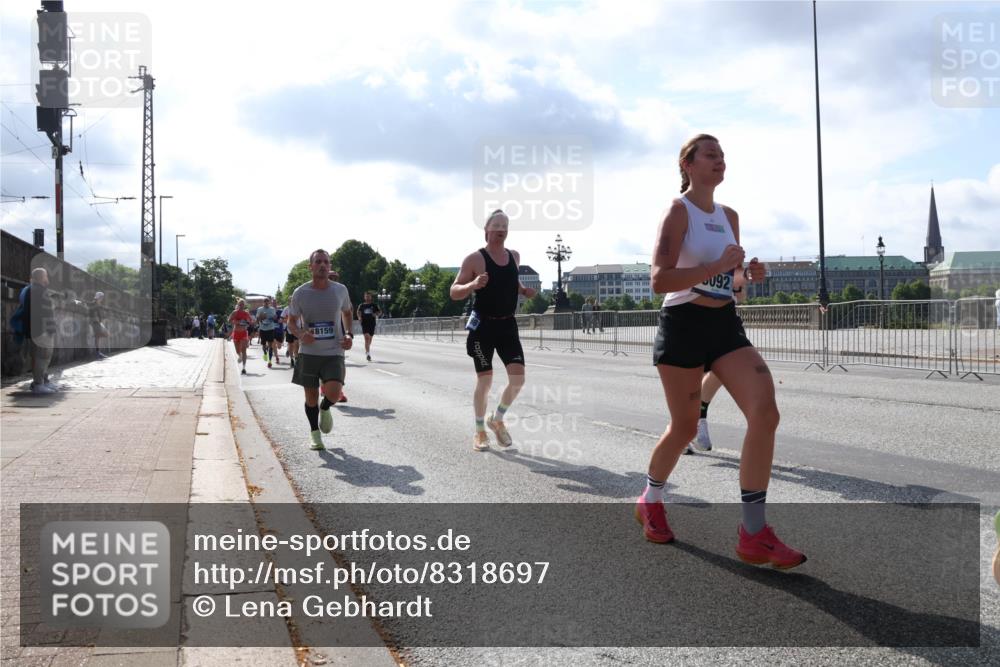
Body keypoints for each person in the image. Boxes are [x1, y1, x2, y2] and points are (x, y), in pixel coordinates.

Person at [637, 133, 805, 569]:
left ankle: (754, 532)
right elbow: (659, 279)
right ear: (687, 165)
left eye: (723, 155)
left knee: (765, 413)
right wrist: (715, 266)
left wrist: (748, 274)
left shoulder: (730, 216)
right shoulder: (678, 212)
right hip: (683, 326)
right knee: (685, 427)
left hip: (724, 324)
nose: (720, 161)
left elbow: (735, 285)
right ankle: (650, 499)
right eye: (710, 155)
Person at [450, 209, 537, 451]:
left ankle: (496, 419)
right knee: (485, 380)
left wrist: (523, 291)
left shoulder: (514, 256)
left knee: (518, 378)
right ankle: (479, 431)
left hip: (507, 325)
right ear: (486, 230)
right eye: (497, 224)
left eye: (505, 225)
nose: (501, 229)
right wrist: (472, 284)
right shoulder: (474, 259)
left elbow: (512, 281)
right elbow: (454, 291)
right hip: (483, 327)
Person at [285, 249, 354, 451]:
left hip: (334, 351)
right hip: (309, 353)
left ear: (329, 266)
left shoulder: (340, 290)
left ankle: (326, 408)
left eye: (326, 262)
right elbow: (291, 322)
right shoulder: (300, 293)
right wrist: (300, 334)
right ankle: (315, 434)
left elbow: (348, 313)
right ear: (311, 267)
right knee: (311, 397)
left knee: (333, 393)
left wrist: (349, 334)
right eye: (318, 262)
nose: (323, 265)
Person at [686, 285, 748, 454]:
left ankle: (698, 418)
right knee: (693, 381)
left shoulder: (734, 259)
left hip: (726, 320)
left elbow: (741, 296)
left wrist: (740, 282)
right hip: (693, 317)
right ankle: (682, 428)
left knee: (724, 369)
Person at [20, 267, 58, 394]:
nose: (47, 278)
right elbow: (46, 313)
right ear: (42, 277)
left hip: (35, 329)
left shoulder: (31, 290)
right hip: (41, 330)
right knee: (42, 357)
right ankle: (38, 384)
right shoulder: (39, 291)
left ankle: (42, 381)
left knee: (40, 357)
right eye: (46, 275)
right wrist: (50, 328)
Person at [228, 299, 253, 375]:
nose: (241, 305)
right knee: (237, 351)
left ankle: (244, 368)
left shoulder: (246, 313)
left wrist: (247, 322)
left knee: (244, 350)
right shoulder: (235, 312)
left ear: (244, 305)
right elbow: (229, 320)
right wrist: (236, 322)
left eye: (243, 304)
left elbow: (251, 321)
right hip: (236, 333)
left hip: (243, 333)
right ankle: (240, 356)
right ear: (238, 305)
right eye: (240, 304)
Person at [356, 291, 382, 361]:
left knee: (370, 339)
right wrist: (359, 317)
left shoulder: (374, 305)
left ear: (371, 297)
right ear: (364, 297)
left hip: (372, 323)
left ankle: (367, 349)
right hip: (364, 323)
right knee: (366, 338)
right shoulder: (361, 305)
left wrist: (376, 314)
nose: (367, 297)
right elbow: (358, 312)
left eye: (369, 296)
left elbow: (380, 312)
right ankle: (368, 354)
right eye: (366, 296)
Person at [256, 297, 279, 368]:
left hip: (270, 329)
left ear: (269, 302)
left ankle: (269, 361)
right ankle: (265, 354)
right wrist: (261, 317)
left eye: (267, 302)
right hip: (263, 329)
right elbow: (257, 320)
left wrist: (275, 317)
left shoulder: (272, 309)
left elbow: (275, 318)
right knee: (263, 346)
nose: (266, 303)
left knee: (270, 346)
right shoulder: (260, 309)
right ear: (263, 302)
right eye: (265, 302)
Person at [88, 291, 109, 359]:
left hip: (98, 322)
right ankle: (97, 353)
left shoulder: (98, 304)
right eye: (101, 297)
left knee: (103, 335)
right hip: (95, 322)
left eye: (102, 297)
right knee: (98, 336)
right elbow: (91, 312)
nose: (102, 299)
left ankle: (98, 352)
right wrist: (94, 319)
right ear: (98, 297)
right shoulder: (93, 303)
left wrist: (101, 320)